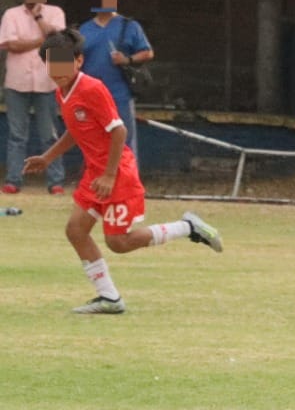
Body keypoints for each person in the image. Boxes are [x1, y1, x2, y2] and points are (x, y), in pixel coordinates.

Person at [24, 29, 222, 314]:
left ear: (78, 61)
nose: (57, 71)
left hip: (117, 173)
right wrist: (47, 157)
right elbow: (75, 131)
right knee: (76, 231)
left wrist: (109, 174)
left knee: (118, 242)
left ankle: (188, 227)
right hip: (96, 173)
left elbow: (119, 131)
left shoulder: (91, 88)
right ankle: (110, 299)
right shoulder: (61, 92)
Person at [2, 0, 68, 194]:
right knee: (17, 136)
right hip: (17, 82)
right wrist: (42, 41)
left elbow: (59, 42)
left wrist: (39, 18)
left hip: (47, 82)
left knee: (50, 135)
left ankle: (55, 182)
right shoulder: (11, 14)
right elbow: (10, 45)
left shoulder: (55, 12)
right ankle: (14, 180)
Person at [77, 0, 154, 163]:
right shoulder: (84, 29)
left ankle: (128, 183)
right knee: (94, 140)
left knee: (125, 141)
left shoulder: (130, 26)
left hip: (120, 94)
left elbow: (147, 52)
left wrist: (127, 59)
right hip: (91, 96)